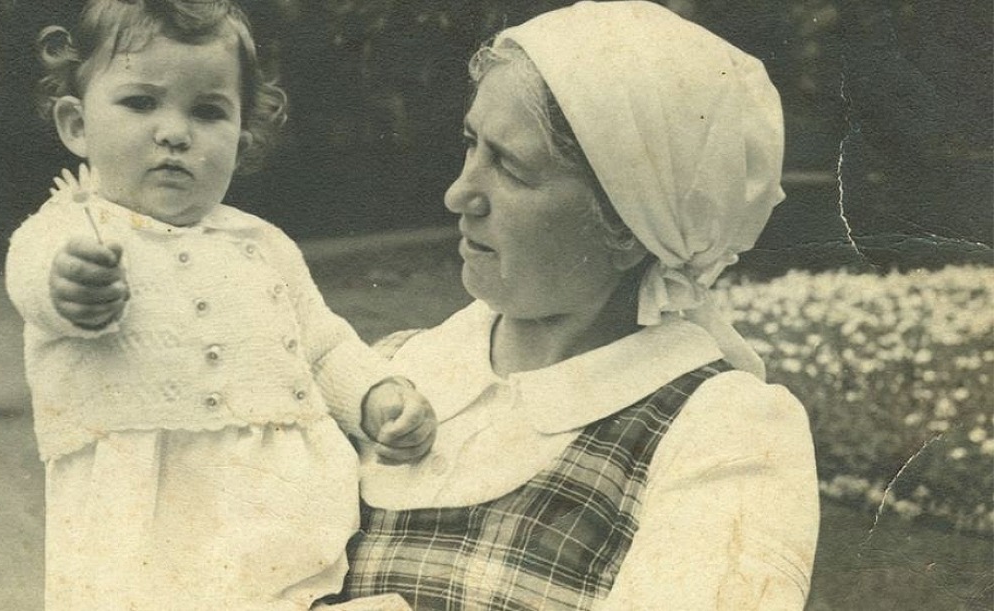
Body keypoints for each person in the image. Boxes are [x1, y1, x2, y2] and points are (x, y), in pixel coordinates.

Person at [337, 2, 819, 609]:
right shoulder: (382, 373)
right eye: (470, 144)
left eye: (511, 167)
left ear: (629, 223)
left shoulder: (723, 432)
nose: (459, 194)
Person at [4, 1, 436, 608]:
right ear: (76, 125)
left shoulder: (263, 243)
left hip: (279, 518)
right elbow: (32, 279)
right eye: (140, 102)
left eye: (208, 111)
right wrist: (71, 286)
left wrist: (374, 394)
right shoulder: (69, 230)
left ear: (242, 136)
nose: (175, 132)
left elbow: (322, 343)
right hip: (143, 535)